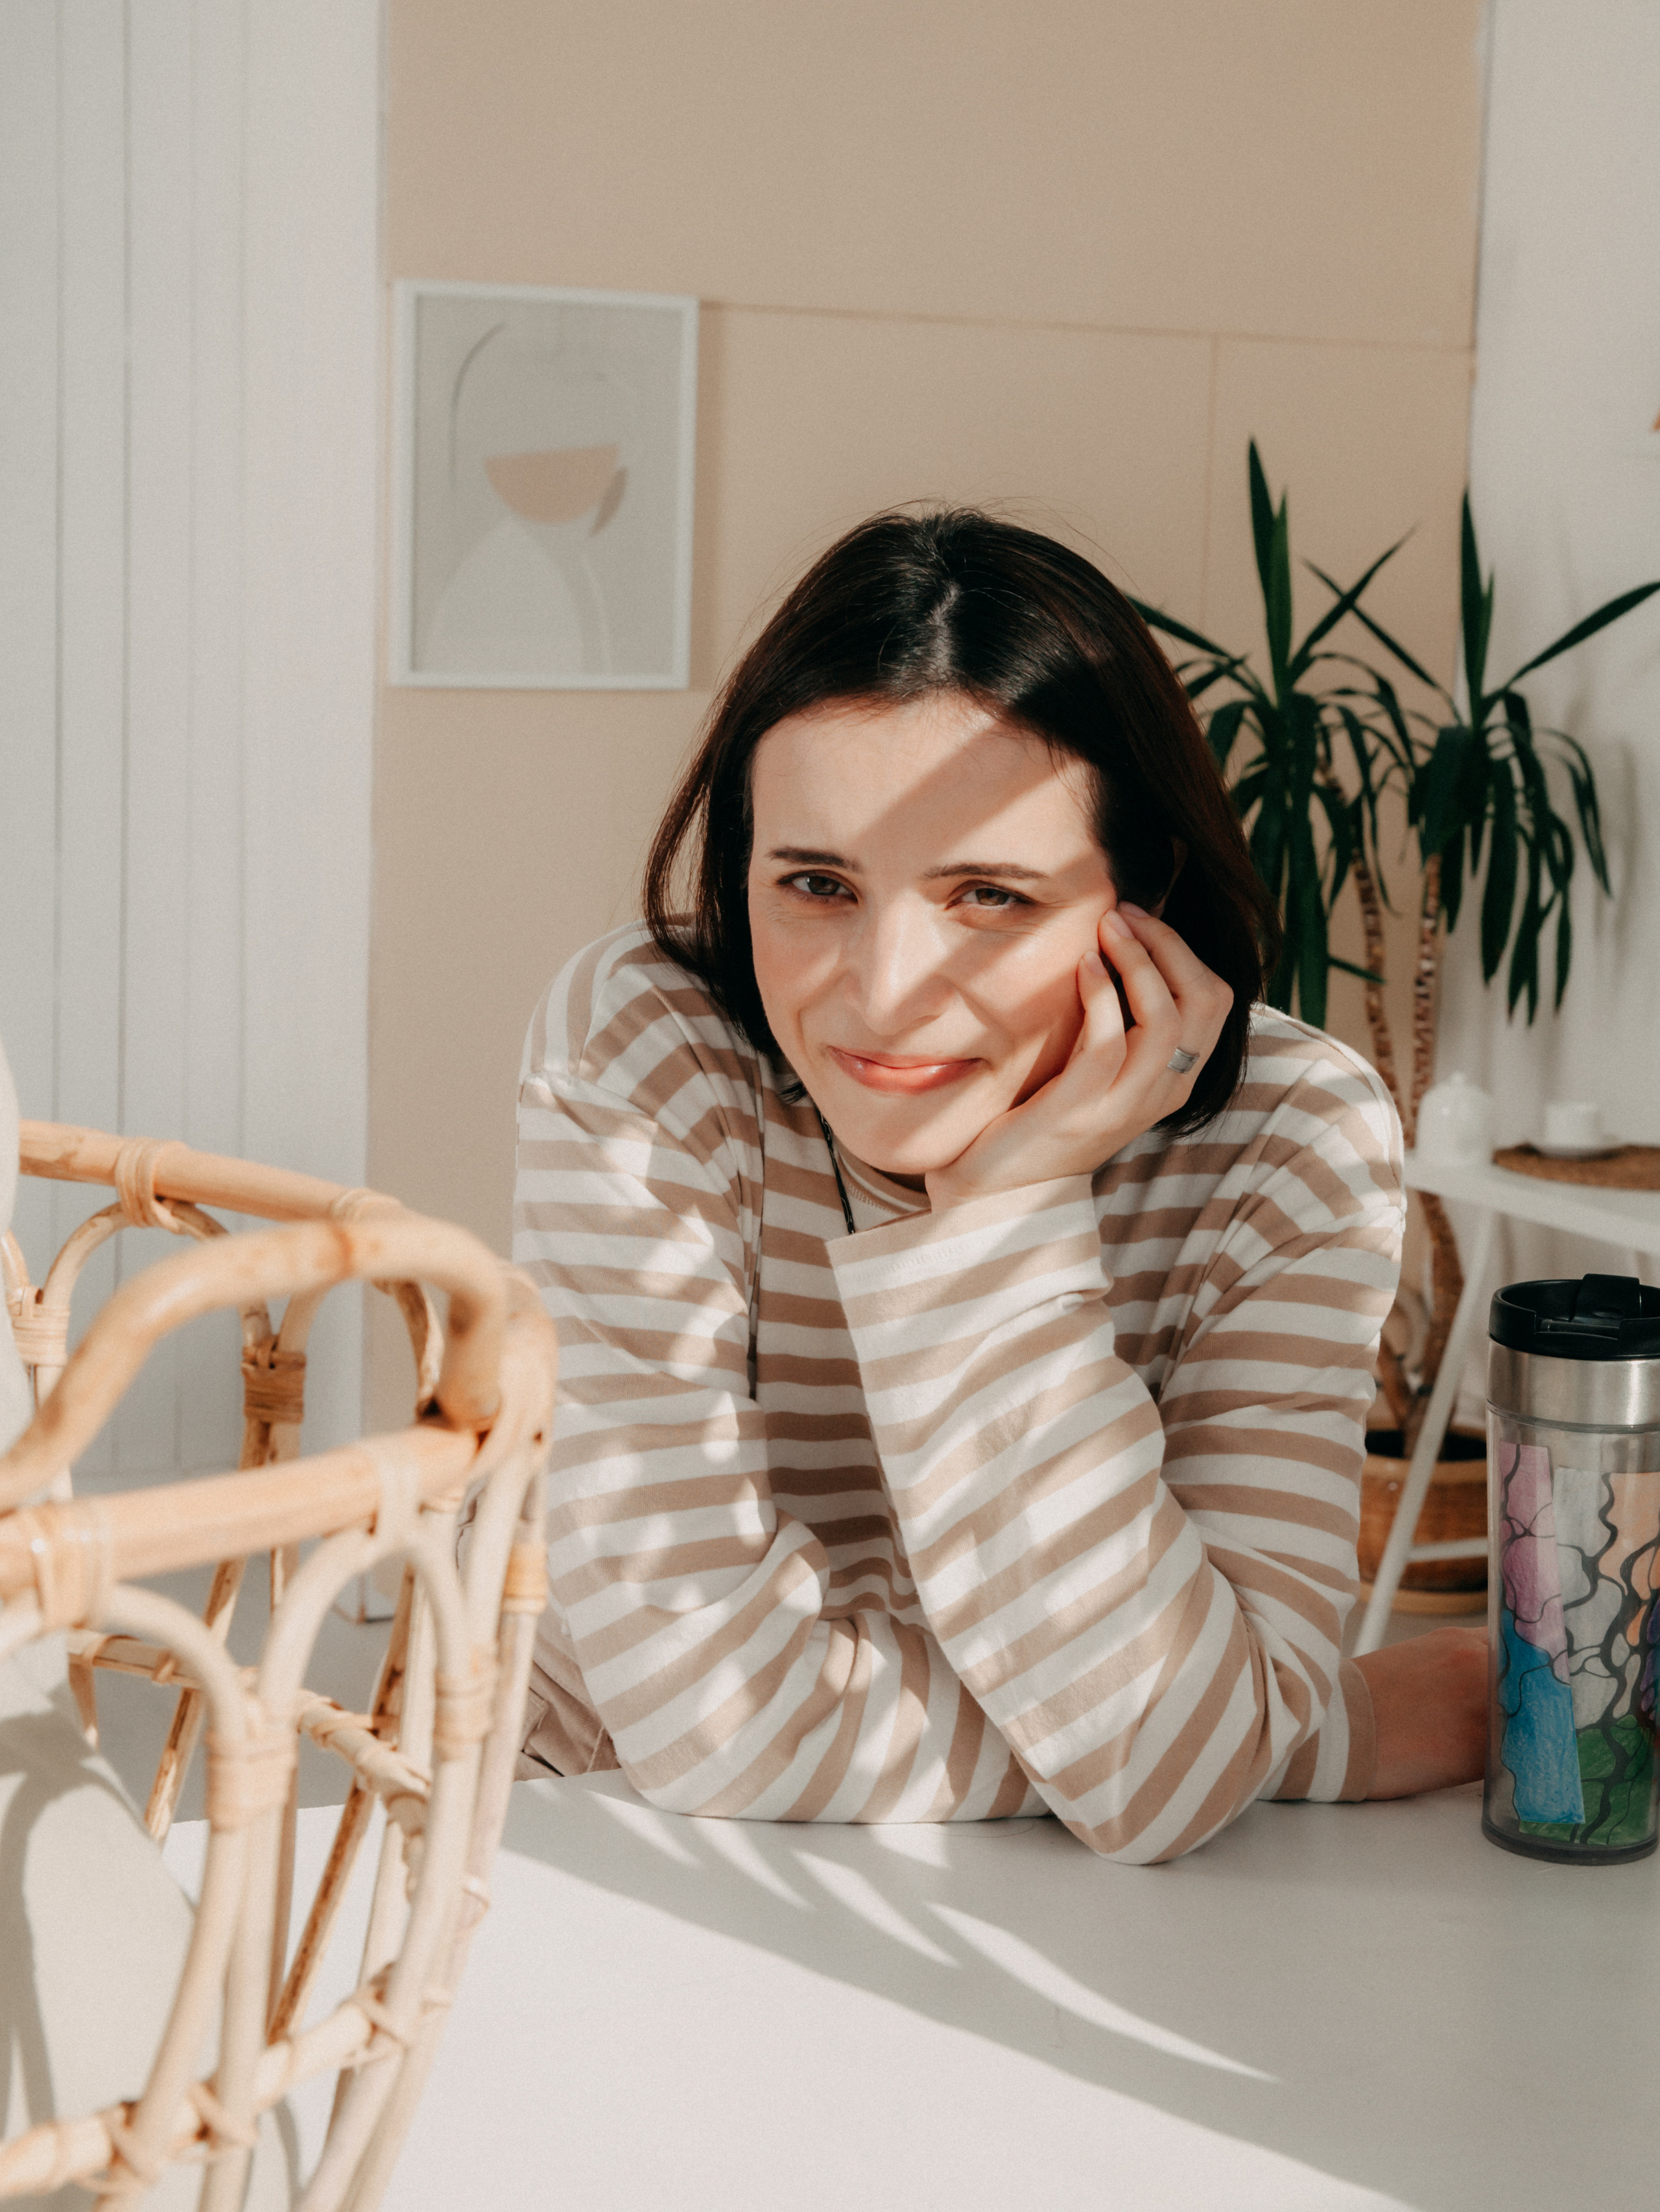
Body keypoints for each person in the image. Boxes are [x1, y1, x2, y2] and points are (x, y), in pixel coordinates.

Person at [510, 509, 1486, 1863]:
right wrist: (1320, 1733)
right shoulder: (649, 1048)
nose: (883, 990)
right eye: (814, 881)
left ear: (1138, 893)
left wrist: (1006, 1210)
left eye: (989, 895)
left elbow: (1169, 1772)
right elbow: (718, 1723)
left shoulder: (1289, 1135)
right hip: (581, 1824)